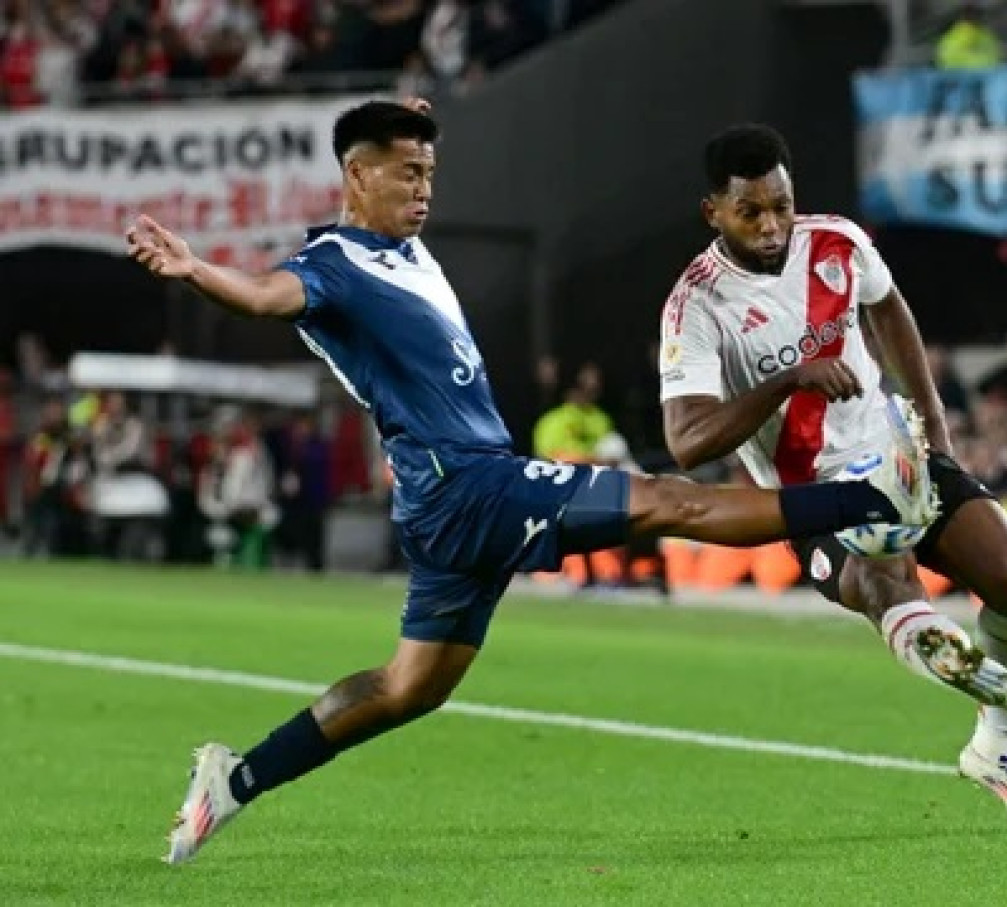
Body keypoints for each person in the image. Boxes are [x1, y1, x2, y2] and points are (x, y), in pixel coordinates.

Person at [126, 99, 941, 864]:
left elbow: (391, 159)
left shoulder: (399, 251)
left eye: (430, 173)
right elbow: (268, 295)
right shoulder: (331, 265)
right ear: (356, 175)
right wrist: (199, 271)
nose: (424, 189)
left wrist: (412, 117)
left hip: (446, 498)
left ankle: (234, 779)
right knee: (666, 501)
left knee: (408, 687)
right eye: (407, 173)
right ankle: (875, 497)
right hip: (470, 482)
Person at [659, 124, 1007, 830]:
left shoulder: (837, 243)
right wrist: (788, 379)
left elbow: (890, 313)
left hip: (897, 454)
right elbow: (688, 441)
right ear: (712, 212)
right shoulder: (697, 306)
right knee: (884, 576)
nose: (772, 225)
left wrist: (939, 439)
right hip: (812, 496)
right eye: (750, 212)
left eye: (781, 205)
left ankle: (996, 746)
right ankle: (938, 645)